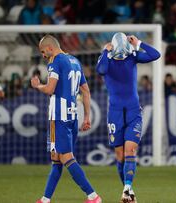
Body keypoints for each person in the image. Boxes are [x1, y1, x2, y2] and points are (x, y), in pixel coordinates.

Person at [32, 35, 102, 203]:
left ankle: (93, 196)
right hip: (72, 115)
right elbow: (85, 90)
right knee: (56, 158)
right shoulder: (75, 61)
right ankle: (45, 199)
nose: (43, 55)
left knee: (66, 157)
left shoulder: (55, 61)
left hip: (59, 116)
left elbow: (50, 89)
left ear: (50, 48)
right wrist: (87, 116)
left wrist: (37, 86)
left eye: (43, 51)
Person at [96, 32, 160, 202]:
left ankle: (127, 188)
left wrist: (139, 43)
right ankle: (128, 190)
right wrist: (105, 51)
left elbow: (155, 55)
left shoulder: (132, 57)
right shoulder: (107, 60)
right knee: (120, 156)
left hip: (133, 112)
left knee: (130, 150)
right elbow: (100, 70)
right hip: (115, 114)